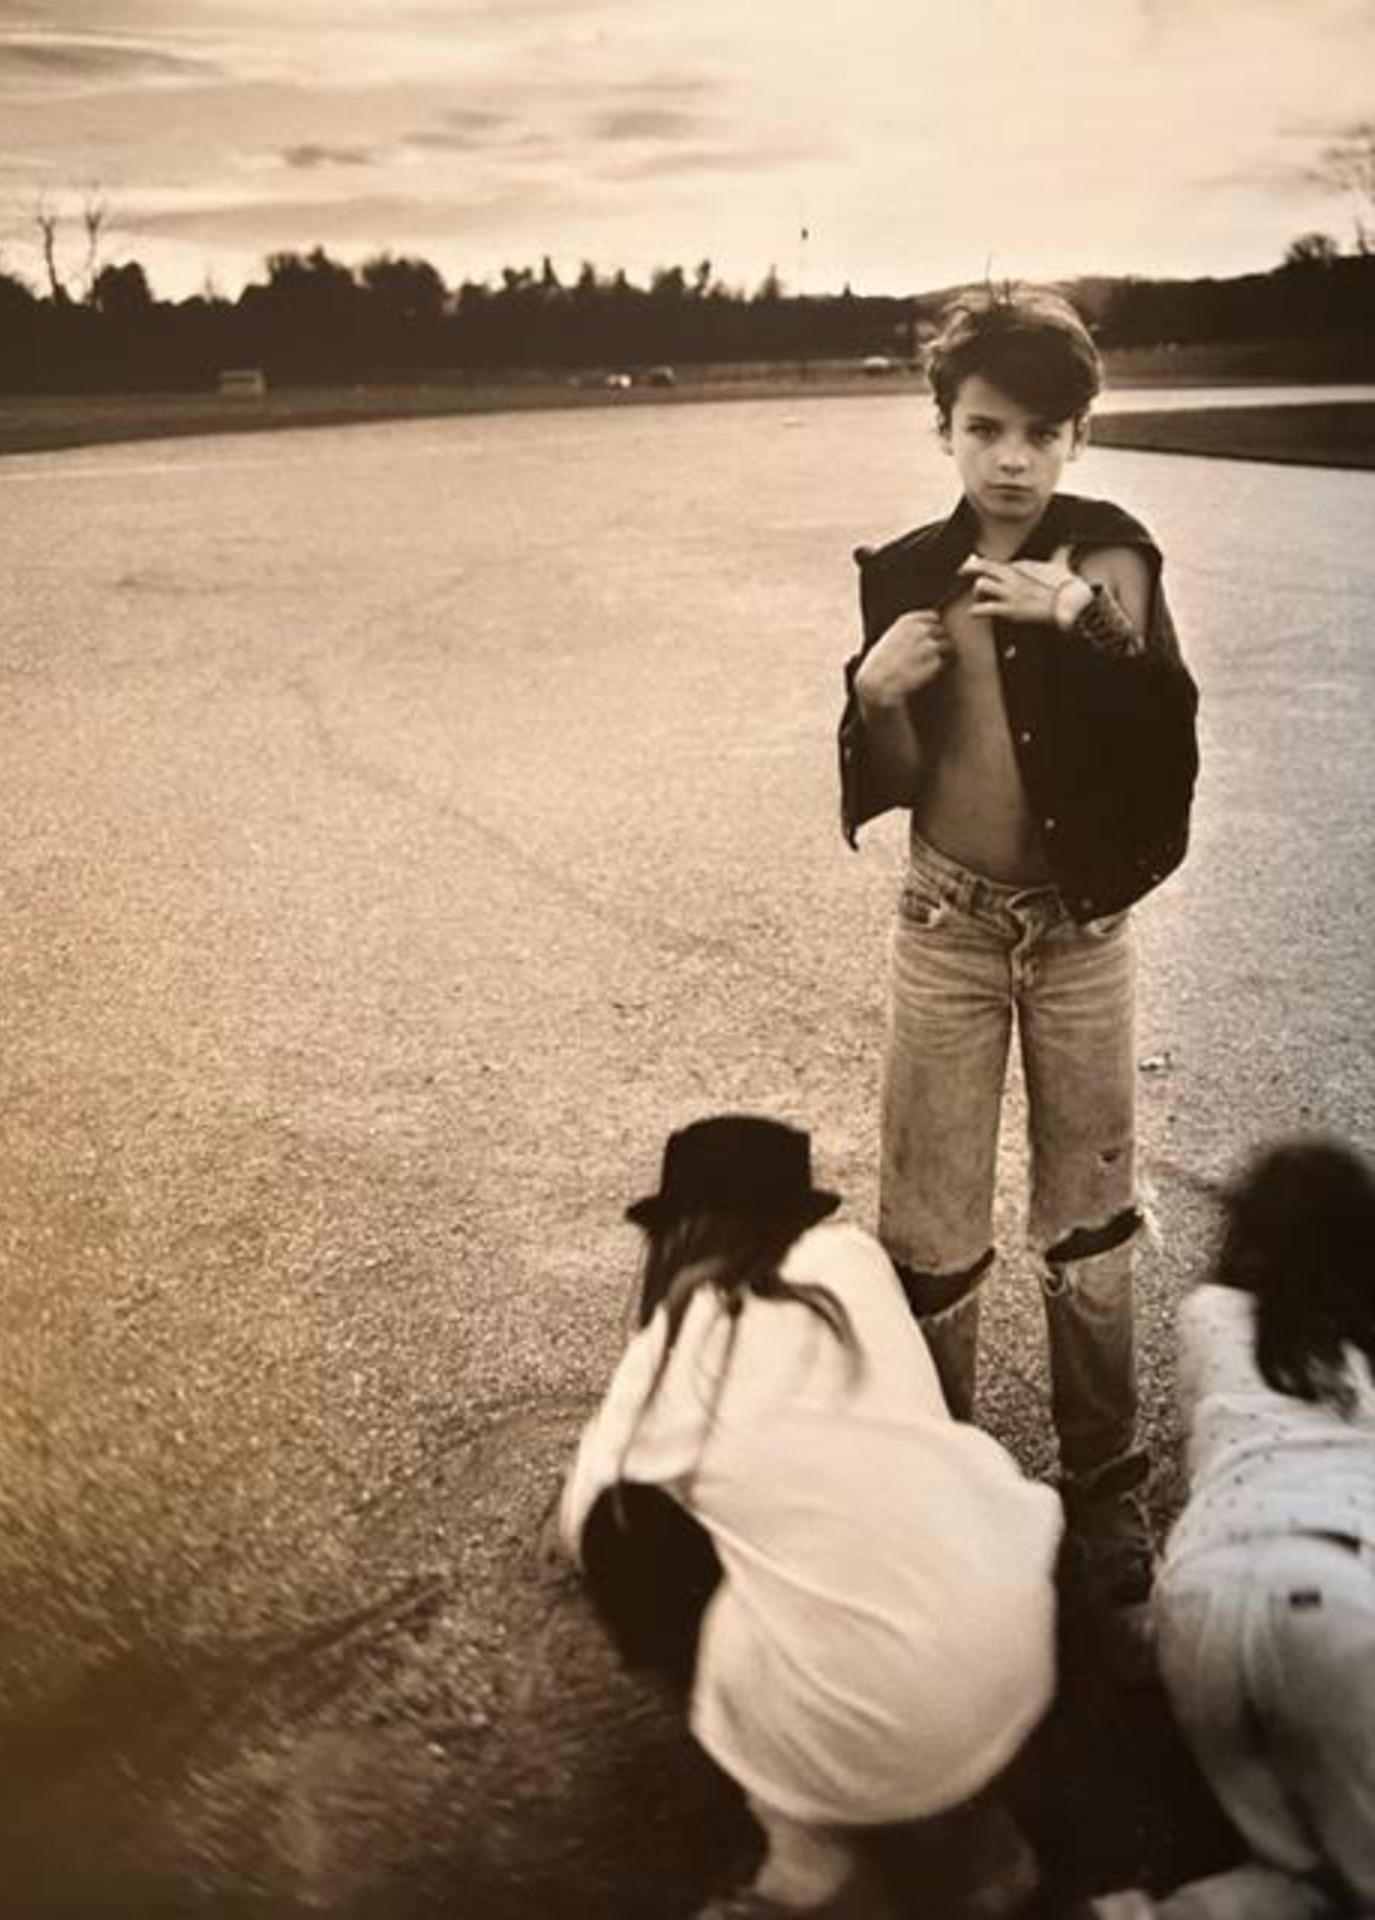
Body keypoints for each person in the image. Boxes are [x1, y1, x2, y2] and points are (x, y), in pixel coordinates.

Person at [836, 283, 1200, 1636]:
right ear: (943, 426)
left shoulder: (1110, 558)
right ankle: (942, 1487)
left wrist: (1080, 626)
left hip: (1080, 934)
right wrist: (870, 696)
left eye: (1043, 433)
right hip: (947, 925)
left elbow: (1164, 727)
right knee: (929, 1227)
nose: (1012, 460)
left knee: (1088, 1216)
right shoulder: (904, 577)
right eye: (987, 427)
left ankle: (1103, 1485)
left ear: (1077, 441)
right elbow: (898, 777)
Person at [560, 1114, 1063, 1920]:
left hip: (854, 1730)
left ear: (680, 1233)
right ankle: (976, 1838)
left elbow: (589, 1505)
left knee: (628, 1532)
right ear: (798, 1214)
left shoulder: (691, 1324)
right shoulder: (855, 1262)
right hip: (1014, 1653)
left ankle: (808, 1857)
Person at [1088, 1137, 1375, 1920]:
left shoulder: (1207, 1319)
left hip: (1196, 1602)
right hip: (1337, 1601)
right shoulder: (1363, 1354)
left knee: (1289, 1864)